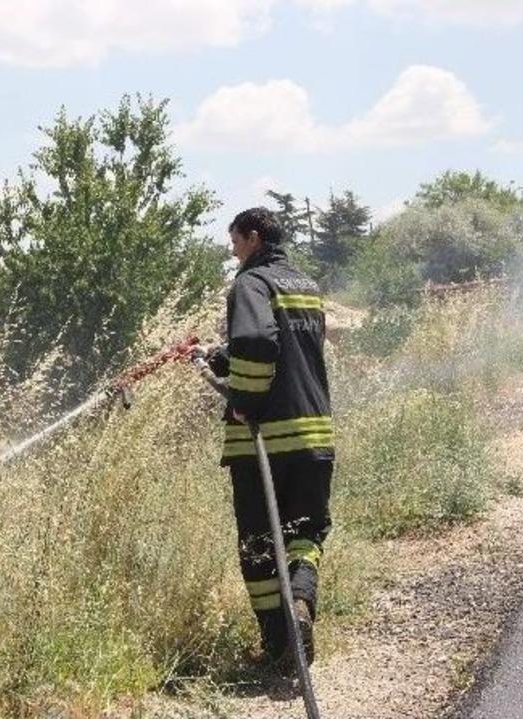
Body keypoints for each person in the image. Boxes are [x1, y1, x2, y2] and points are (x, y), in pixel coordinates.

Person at [197, 207, 334, 674]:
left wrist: (245, 403)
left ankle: (278, 649)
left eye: (234, 240)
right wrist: (218, 357)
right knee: (305, 533)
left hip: (264, 442)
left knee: (258, 543)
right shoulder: (307, 287)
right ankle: (300, 602)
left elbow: (257, 343)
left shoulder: (251, 284)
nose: (232, 250)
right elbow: (286, 349)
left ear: (253, 238)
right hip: (314, 437)